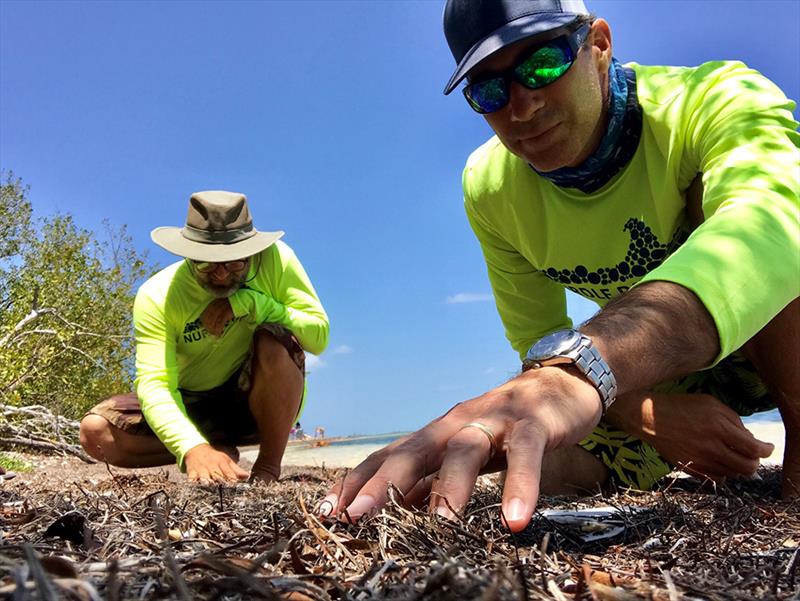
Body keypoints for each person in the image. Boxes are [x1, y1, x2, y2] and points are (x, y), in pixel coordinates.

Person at [320, 0, 799, 531]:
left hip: (767, 329)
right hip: (663, 369)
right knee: (548, 461)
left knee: (722, 205)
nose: (521, 107)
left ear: (598, 45)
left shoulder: (711, 98)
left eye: (542, 64)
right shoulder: (490, 188)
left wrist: (585, 367)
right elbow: (539, 343)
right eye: (490, 90)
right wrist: (650, 419)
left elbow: (773, 225)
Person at [80, 191, 329, 483]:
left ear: (251, 251)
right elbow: (156, 383)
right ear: (187, 253)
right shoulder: (157, 295)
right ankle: (214, 451)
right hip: (191, 404)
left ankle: (267, 467)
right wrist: (191, 447)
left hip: (253, 403)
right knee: (94, 433)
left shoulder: (277, 259)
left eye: (235, 262)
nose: (221, 275)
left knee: (274, 340)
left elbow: (318, 337)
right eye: (206, 262)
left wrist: (253, 304)